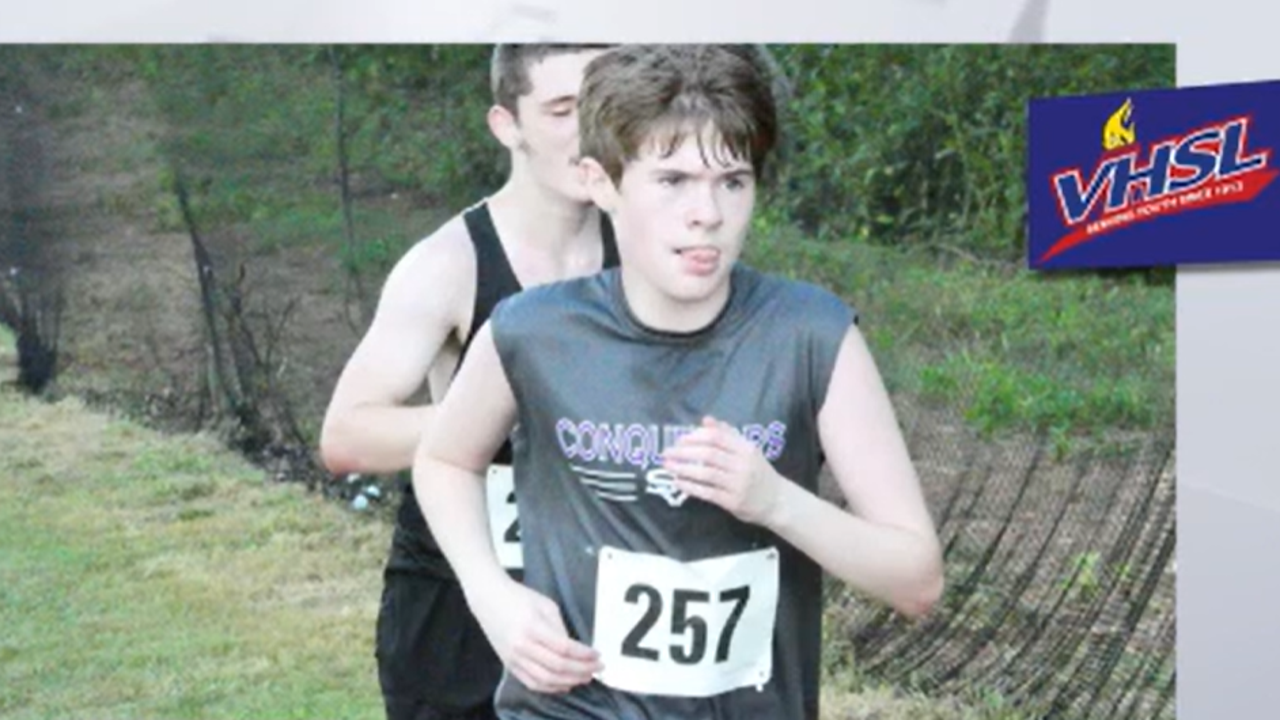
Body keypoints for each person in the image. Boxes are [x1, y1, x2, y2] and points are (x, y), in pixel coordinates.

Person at [412, 44, 946, 720]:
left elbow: (917, 580)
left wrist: (775, 501)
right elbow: (444, 460)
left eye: (733, 181)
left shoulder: (813, 336)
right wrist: (491, 595)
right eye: (672, 180)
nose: (708, 213)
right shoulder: (531, 332)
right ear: (601, 182)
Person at [319, 43, 618, 720]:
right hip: (460, 606)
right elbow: (346, 434)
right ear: (507, 125)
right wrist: (498, 412)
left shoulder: (645, 252)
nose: (590, 130)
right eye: (563, 109)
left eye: (604, 104)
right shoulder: (449, 263)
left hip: (597, 596)